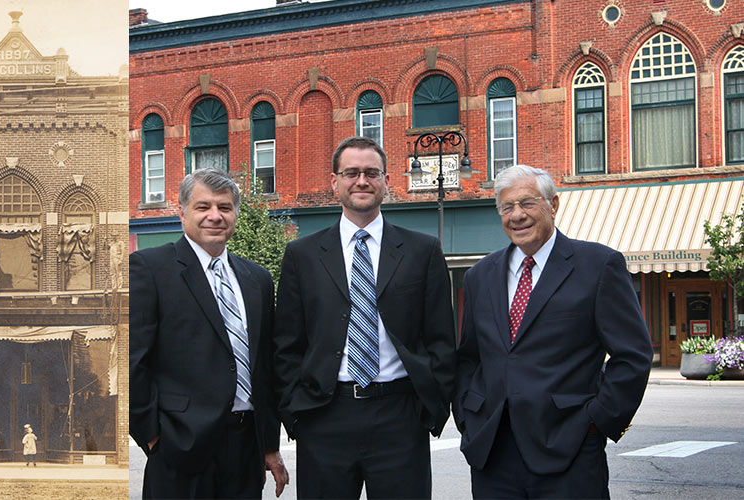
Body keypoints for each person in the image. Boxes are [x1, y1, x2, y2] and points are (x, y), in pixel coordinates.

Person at [453, 164, 653, 499]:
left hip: (570, 450)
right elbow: (470, 356)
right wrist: (467, 414)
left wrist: (597, 421)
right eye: (507, 207)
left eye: (528, 203)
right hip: (492, 453)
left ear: (553, 205)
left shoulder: (599, 266)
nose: (517, 215)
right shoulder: (480, 276)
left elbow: (632, 355)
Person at [274, 136, 456, 499]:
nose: (362, 181)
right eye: (352, 172)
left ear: (386, 180)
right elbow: (286, 345)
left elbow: (441, 338)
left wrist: (430, 407)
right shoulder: (302, 255)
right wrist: (298, 414)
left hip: (400, 415)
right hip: (325, 415)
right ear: (334, 181)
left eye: (372, 173)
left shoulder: (422, 251)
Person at [130, 168, 289, 499]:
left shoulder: (256, 278)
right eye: (203, 207)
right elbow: (131, 361)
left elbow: (265, 368)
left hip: (246, 448)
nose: (215, 216)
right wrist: (152, 436)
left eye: (225, 207)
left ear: (236, 214)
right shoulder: (149, 269)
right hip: (180, 447)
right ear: (182, 212)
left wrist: (268, 444)